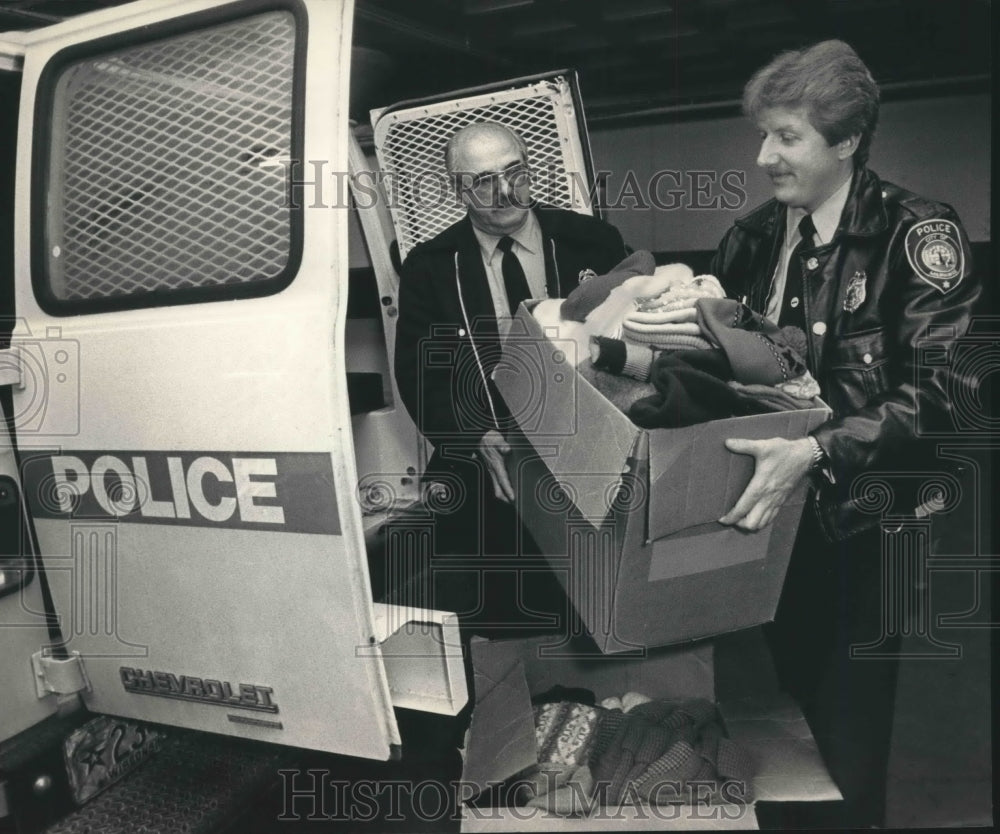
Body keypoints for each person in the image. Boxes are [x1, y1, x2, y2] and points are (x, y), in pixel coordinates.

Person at [710, 40, 981, 827]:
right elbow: (720, 365)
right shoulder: (754, 237)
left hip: (868, 521)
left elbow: (946, 390)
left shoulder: (918, 232)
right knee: (779, 712)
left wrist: (820, 449)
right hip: (770, 516)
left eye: (786, 137)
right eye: (763, 135)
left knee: (850, 726)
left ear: (848, 140)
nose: (764, 156)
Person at [393, 121, 627, 629]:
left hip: (589, 455)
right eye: (481, 181)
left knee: (594, 602)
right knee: (505, 609)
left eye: (514, 173)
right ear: (457, 190)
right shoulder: (430, 267)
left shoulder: (593, 242)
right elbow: (417, 374)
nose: (503, 192)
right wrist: (473, 435)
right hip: (492, 466)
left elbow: (634, 343)